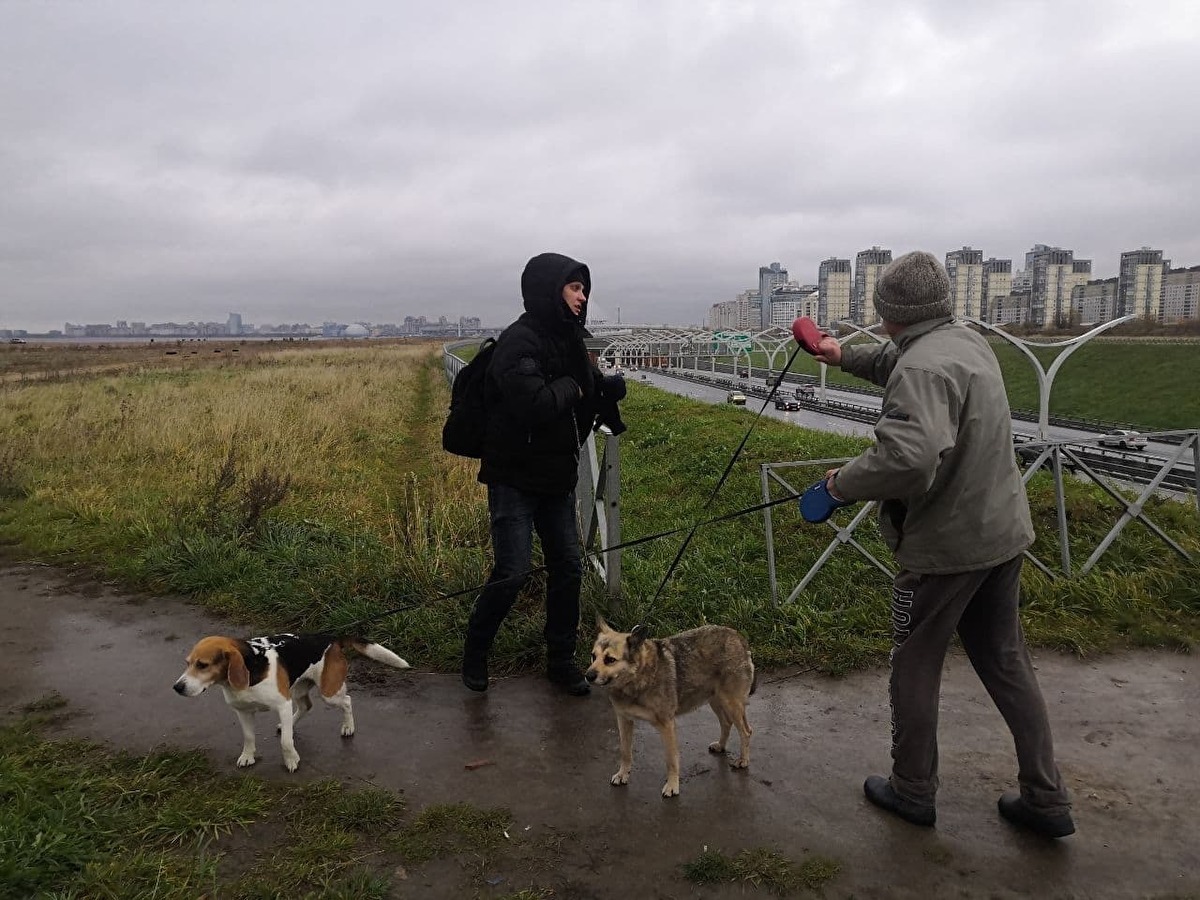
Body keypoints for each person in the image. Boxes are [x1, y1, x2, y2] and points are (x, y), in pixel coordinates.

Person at [812, 250, 1074, 838]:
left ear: (889, 312)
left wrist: (838, 485)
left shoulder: (921, 369)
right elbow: (899, 359)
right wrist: (839, 354)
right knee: (1007, 662)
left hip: (944, 550)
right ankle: (1047, 797)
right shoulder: (964, 341)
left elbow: (907, 455)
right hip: (1000, 535)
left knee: (914, 663)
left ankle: (912, 790)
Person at [462, 252, 626, 696]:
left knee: (568, 568)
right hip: (514, 477)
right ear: (550, 290)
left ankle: (559, 661)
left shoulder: (570, 337)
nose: (582, 296)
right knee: (512, 571)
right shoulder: (521, 342)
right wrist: (575, 386)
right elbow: (532, 404)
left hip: (555, 476)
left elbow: (580, 389)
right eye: (574, 287)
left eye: (584, 288)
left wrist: (605, 387)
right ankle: (475, 652)